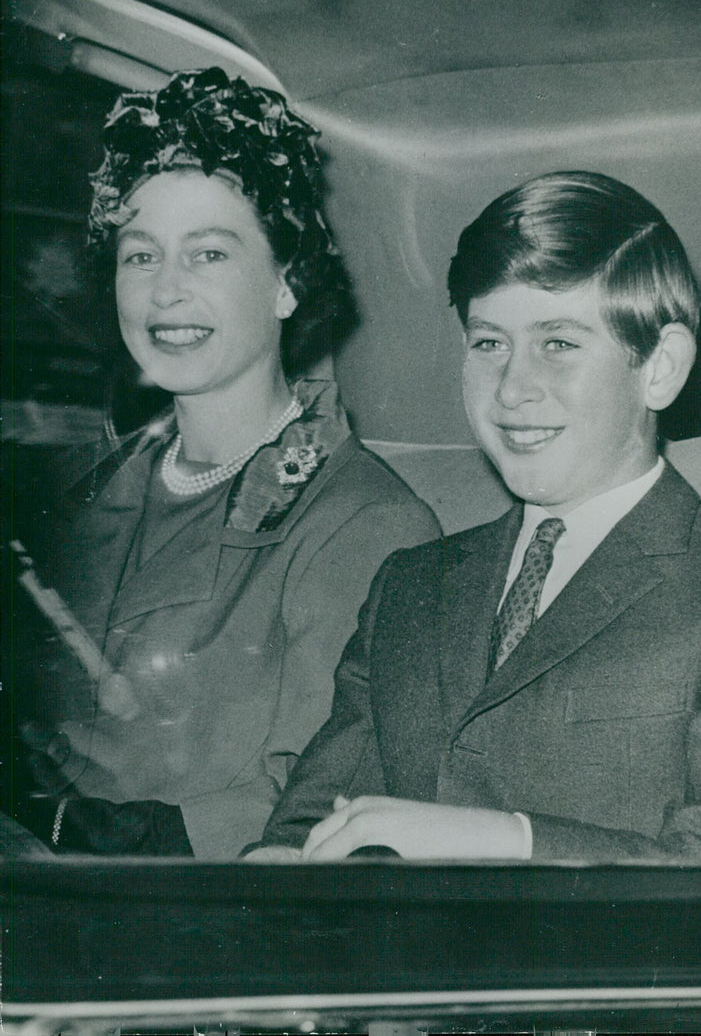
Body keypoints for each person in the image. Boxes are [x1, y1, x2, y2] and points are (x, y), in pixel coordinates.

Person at [245, 171, 701, 862]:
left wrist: (504, 837)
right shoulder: (408, 587)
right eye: (488, 343)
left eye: (558, 343)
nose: (511, 387)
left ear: (660, 368)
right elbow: (305, 829)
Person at [6, 68, 439, 860]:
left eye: (208, 253)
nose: (165, 291)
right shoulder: (82, 492)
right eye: (141, 256)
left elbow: (311, 801)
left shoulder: (368, 523)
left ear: (285, 282)